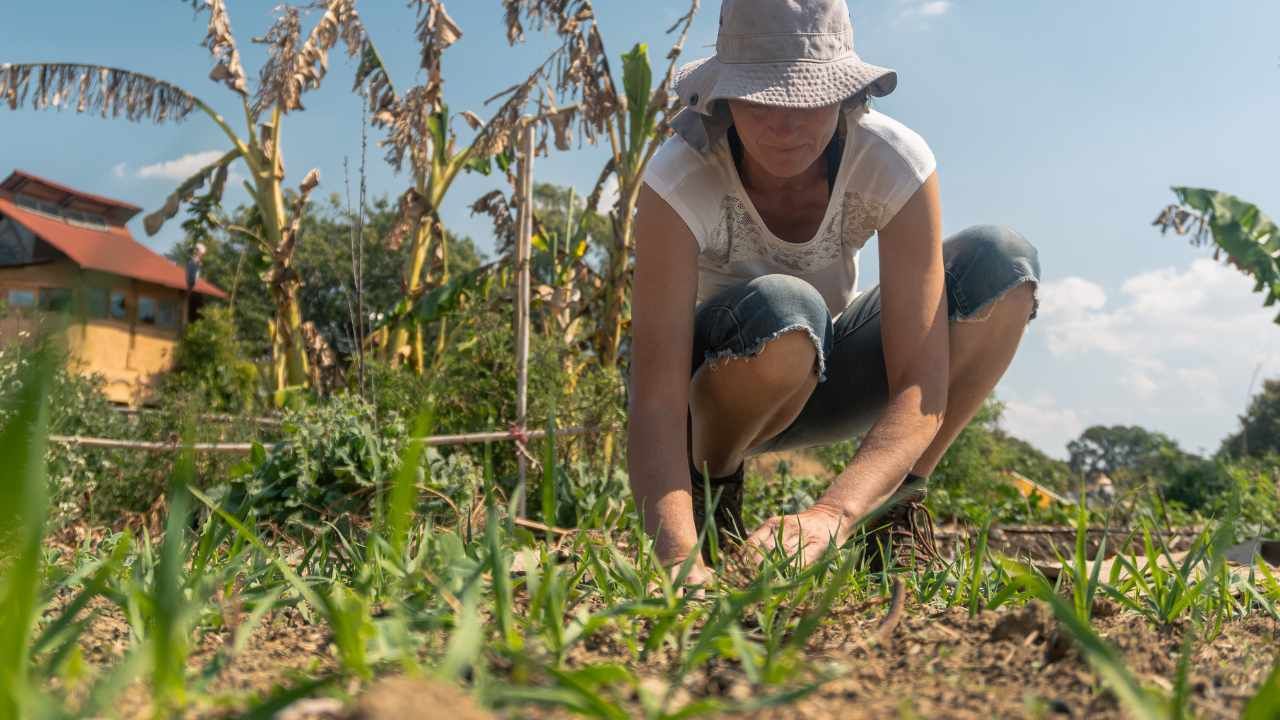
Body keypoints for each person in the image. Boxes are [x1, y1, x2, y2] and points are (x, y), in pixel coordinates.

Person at [627, 0, 1042, 587]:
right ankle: (712, 493)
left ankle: (891, 507)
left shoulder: (894, 162)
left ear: (845, 92)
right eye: (763, 96)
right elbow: (655, 400)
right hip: (714, 396)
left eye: (809, 97)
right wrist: (675, 557)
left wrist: (833, 513)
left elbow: (921, 382)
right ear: (723, 96)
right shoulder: (679, 178)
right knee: (786, 307)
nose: (786, 123)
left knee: (1001, 262)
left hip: (825, 373)